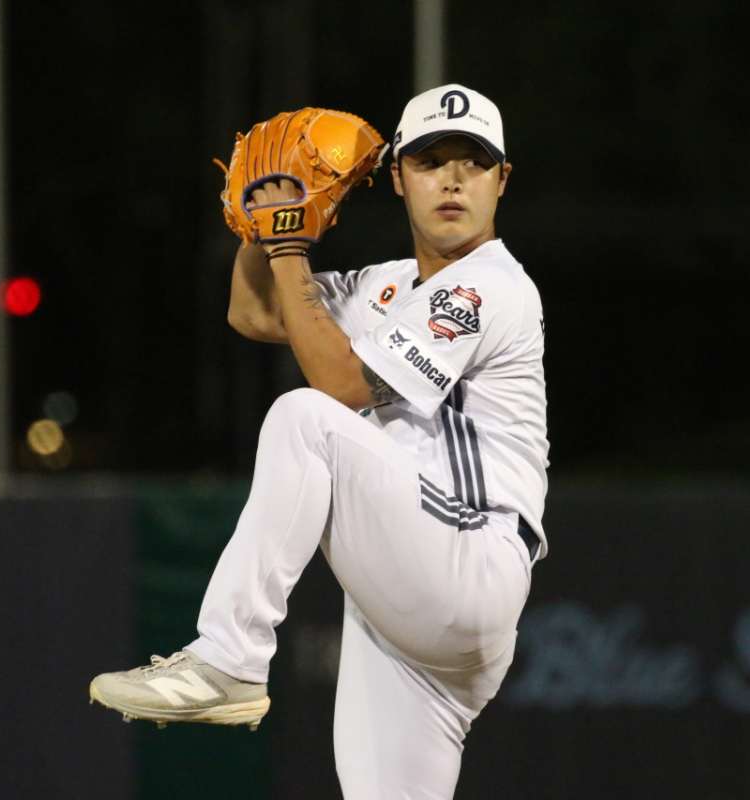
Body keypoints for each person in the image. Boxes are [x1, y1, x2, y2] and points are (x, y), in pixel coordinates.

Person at [90, 84, 549, 799]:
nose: (454, 178)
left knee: (306, 419)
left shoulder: (491, 286)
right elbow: (256, 311)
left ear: (502, 180)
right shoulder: (389, 286)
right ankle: (230, 661)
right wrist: (262, 224)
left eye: (474, 161)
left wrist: (290, 241)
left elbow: (339, 390)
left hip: (468, 558)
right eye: (431, 161)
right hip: (411, 601)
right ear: (397, 177)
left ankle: (230, 658)